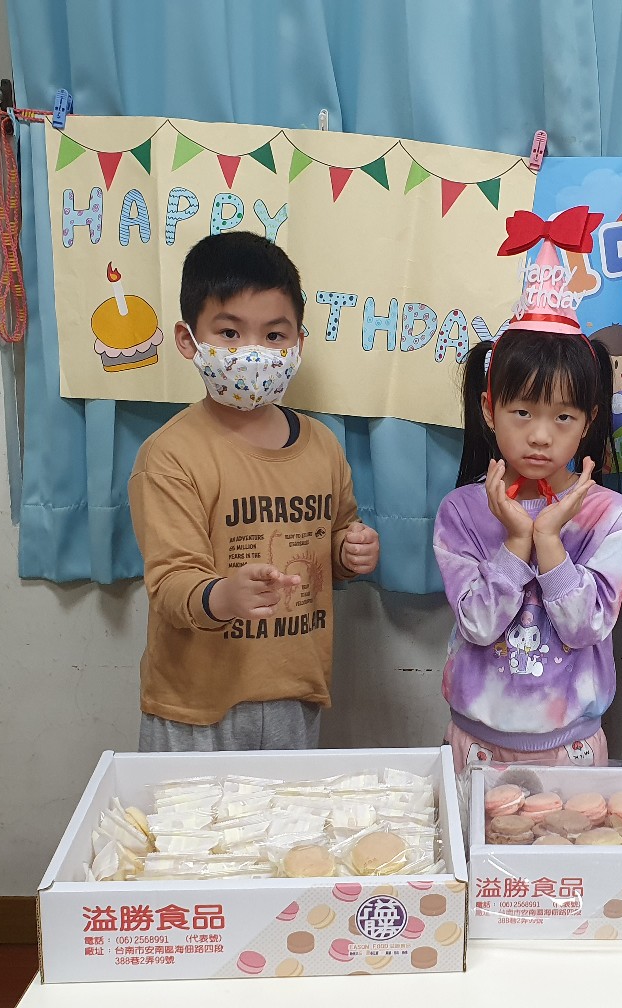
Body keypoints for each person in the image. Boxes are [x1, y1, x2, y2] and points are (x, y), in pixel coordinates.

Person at [129, 231, 379, 752]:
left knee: (289, 811)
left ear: (298, 343)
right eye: (229, 332)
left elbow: (335, 539)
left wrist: (349, 552)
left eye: (273, 335)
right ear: (187, 340)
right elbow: (171, 583)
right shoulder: (170, 456)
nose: (253, 352)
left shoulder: (323, 446)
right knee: (191, 812)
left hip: (294, 693)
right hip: (196, 707)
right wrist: (223, 595)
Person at [435, 237, 622, 772]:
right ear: (489, 409)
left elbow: (584, 628)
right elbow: (479, 626)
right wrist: (516, 541)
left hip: (571, 749)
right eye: (522, 412)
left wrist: (548, 540)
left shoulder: (610, 516)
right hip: (475, 743)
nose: (541, 436)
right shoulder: (461, 512)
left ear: (589, 421)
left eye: (563, 417)